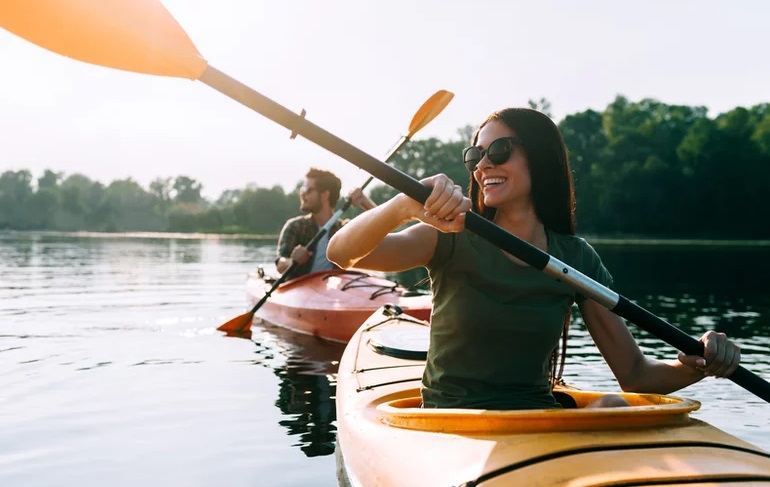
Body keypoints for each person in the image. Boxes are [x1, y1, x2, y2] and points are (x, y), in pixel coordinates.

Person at [327, 107, 741, 410]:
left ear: (539, 158)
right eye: (475, 157)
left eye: (500, 150)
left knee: (613, 404)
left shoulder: (576, 259)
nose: (484, 164)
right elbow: (341, 253)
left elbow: (634, 374)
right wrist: (402, 205)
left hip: (537, 419)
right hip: (450, 423)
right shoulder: (450, 235)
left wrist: (697, 364)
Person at [275, 167, 376, 281]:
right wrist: (293, 261)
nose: (302, 195)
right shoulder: (295, 226)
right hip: (299, 289)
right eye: (302, 189)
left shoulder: (345, 230)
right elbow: (280, 264)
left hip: (332, 292)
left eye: (308, 190)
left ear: (324, 195)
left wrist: (364, 202)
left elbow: (382, 229)